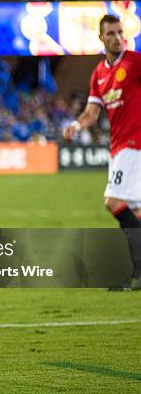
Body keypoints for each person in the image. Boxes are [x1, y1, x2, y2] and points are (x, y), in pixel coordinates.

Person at [63, 15, 141, 291]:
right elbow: (92, 113)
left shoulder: (135, 62)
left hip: (135, 144)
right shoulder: (99, 73)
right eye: (111, 33)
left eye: (120, 32)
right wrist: (75, 124)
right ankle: (136, 273)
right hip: (119, 146)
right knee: (134, 210)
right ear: (101, 38)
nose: (117, 37)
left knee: (113, 201)